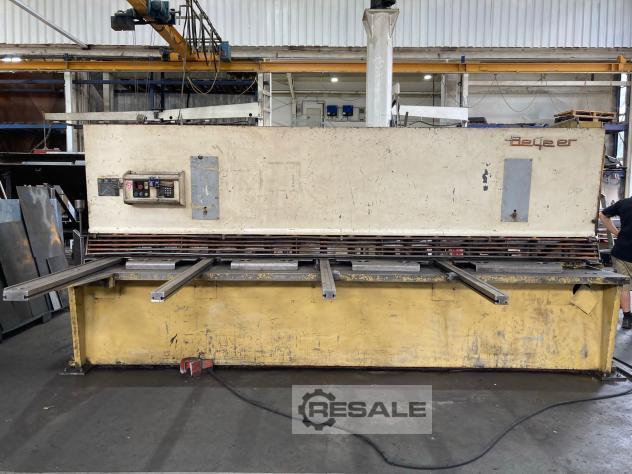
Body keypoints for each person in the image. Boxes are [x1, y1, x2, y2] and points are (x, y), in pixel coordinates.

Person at [600, 198, 632, 329]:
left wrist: (616, 232)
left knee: (624, 286)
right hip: (623, 252)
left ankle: (627, 318)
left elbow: (603, 215)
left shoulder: (624, 203)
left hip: (622, 252)